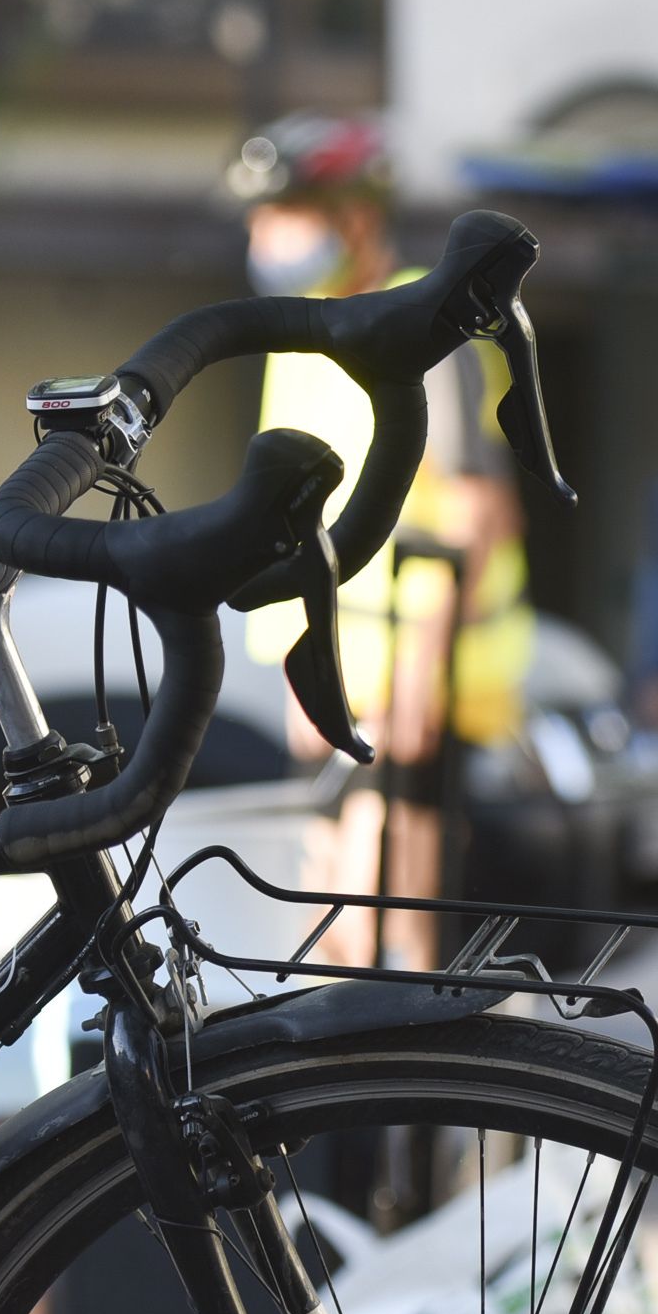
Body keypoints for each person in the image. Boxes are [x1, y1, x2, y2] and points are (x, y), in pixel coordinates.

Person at [227, 111, 528, 963]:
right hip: (335, 686)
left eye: (291, 214)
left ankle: (421, 1097)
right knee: (328, 925)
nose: (268, 237)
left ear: (357, 215)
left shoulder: (429, 330)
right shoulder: (305, 333)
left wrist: (420, 679)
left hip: (410, 692)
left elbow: (471, 515)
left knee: (397, 928)